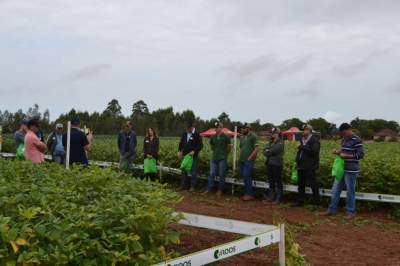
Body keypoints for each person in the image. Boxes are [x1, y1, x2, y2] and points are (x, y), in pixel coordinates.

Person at [324, 123, 364, 218]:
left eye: (344, 132)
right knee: (335, 190)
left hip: (351, 170)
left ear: (349, 129)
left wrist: (347, 156)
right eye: (342, 133)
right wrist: (338, 152)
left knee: (350, 191)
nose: (343, 135)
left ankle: (351, 212)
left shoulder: (357, 140)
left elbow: (360, 155)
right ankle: (332, 209)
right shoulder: (343, 140)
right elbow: (343, 152)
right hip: (341, 169)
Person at [293, 124, 321, 209]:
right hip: (301, 166)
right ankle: (300, 201)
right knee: (301, 185)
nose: (303, 131)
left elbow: (314, 151)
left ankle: (316, 204)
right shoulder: (302, 140)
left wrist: (301, 146)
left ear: (309, 130)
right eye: (302, 130)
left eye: (305, 130)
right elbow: (301, 152)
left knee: (313, 185)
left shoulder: (315, 140)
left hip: (310, 167)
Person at [204, 122, 232, 196]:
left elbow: (229, 146)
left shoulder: (226, 137)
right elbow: (211, 144)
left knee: (221, 174)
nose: (216, 129)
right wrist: (214, 150)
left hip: (222, 158)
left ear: (221, 128)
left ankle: (220, 190)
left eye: (217, 127)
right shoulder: (213, 137)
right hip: (214, 158)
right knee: (211, 173)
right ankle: (209, 189)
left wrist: (225, 154)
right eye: (215, 128)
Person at [178, 122, 203, 192]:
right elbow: (181, 143)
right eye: (186, 128)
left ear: (191, 128)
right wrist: (179, 151)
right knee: (183, 171)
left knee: (193, 172)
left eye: (188, 129)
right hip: (185, 156)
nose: (187, 130)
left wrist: (194, 151)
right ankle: (183, 186)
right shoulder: (184, 134)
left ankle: (192, 187)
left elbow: (200, 145)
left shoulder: (197, 134)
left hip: (193, 156)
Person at [264, 127, 284, 204]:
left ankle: (279, 198)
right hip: (270, 163)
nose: (272, 134)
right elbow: (264, 151)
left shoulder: (280, 142)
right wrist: (268, 150)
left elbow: (274, 150)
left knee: (278, 181)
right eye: (272, 133)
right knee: (271, 181)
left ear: (278, 134)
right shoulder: (271, 142)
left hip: (277, 164)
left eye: (274, 133)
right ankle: (271, 197)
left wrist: (268, 150)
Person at [239, 123, 259, 201]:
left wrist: (249, 158)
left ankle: (249, 194)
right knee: (245, 177)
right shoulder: (243, 137)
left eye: (244, 128)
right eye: (242, 128)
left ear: (248, 128)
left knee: (246, 176)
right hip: (242, 160)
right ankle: (247, 193)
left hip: (248, 160)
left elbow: (256, 148)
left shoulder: (253, 136)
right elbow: (241, 147)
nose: (242, 130)